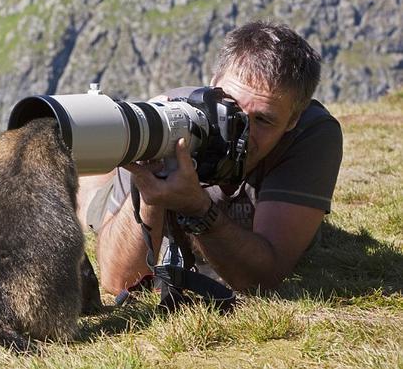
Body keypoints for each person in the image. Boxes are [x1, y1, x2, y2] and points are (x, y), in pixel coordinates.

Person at [77, 20, 343, 295]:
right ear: (213, 84)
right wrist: (149, 194)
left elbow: (262, 278)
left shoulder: (311, 133)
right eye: (231, 106)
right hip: (117, 198)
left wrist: (198, 209)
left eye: (263, 120)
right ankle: (96, 179)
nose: (242, 131)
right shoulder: (165, 121)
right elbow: (118, 281)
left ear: (292, 120)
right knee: (90, 205)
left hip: (207, 223)